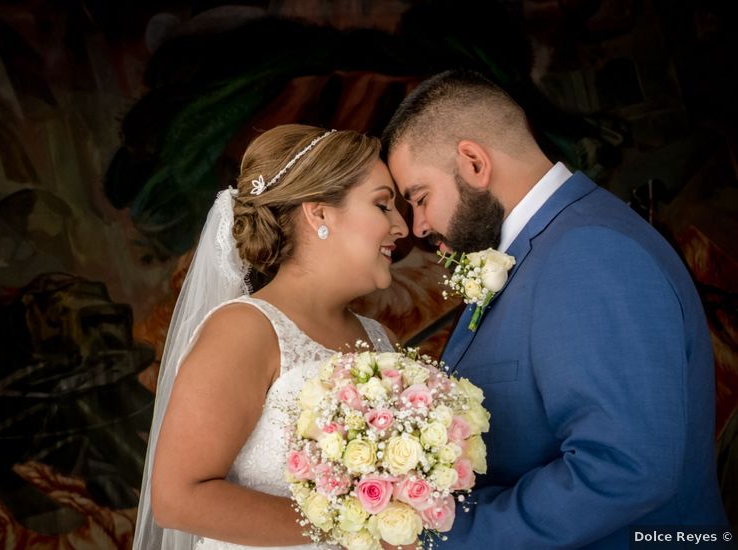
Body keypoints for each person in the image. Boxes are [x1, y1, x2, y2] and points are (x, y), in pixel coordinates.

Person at [382, 69, 728, 548]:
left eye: (420, 198)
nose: (417, 226)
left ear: (473, 163)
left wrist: (453, 534)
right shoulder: (541, 249)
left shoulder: (590, 252)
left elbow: (624, 466)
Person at [132, 124, 409, 549]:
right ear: (319, 213)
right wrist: (355, 527)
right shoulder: (245, 330)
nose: (402, 228)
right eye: (383, 205)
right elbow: (178, 498)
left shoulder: (380, 339)